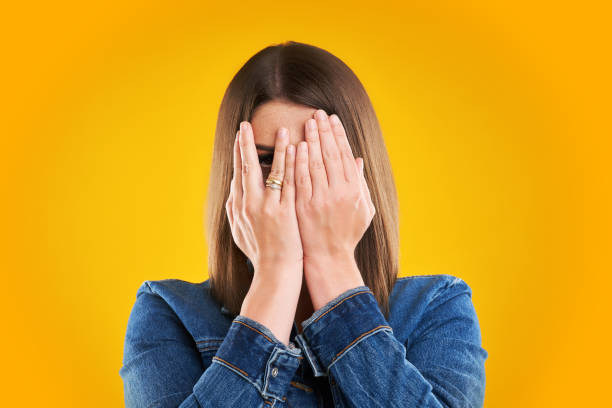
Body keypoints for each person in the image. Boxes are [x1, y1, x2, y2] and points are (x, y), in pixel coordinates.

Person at [119, 41, 488, 407]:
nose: (294, 183)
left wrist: (332, 261)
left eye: (319, 161)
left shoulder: (436, 306)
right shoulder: (168, 312)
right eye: (267, 160)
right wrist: (275, 273)